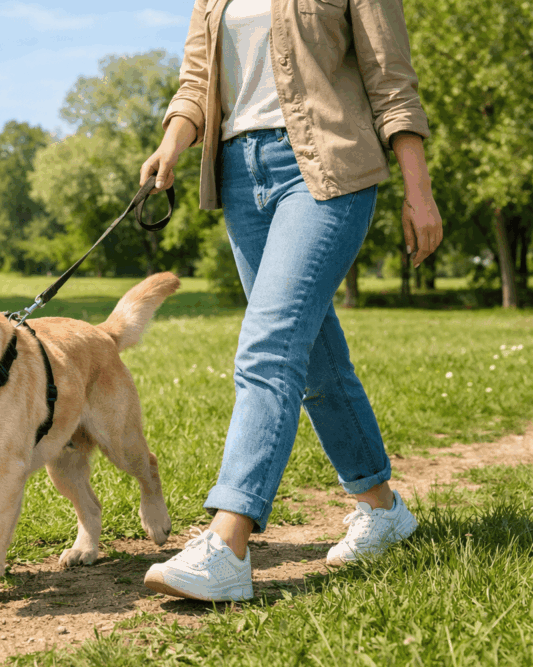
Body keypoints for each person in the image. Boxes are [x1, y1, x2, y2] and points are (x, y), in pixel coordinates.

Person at [140, 0, 443, 602]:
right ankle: (382, 508)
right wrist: (172, 144)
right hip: (239, 174)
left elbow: (391, 81)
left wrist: (419, 191)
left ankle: (228, 544)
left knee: (269, 347)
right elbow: (197, 81)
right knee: (314, 360)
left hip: (327, 166)